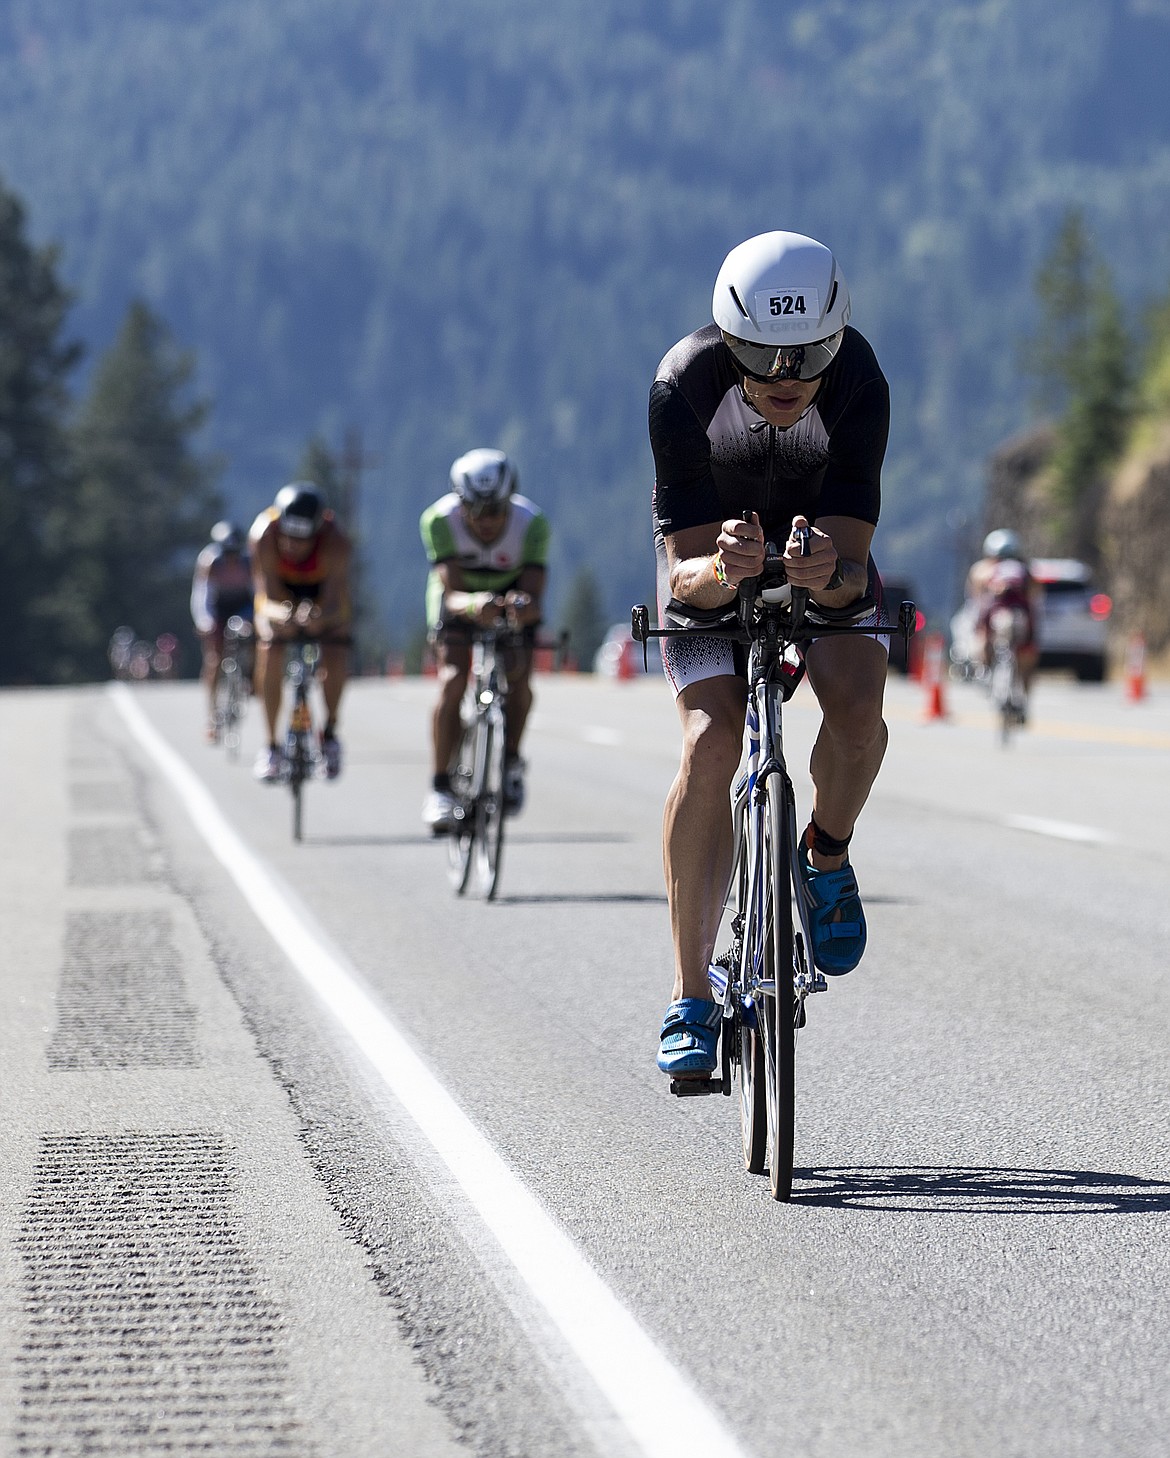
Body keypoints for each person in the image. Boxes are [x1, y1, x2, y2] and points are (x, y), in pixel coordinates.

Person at [648, 230, 893, 1083]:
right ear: (728, 339)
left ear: (837, 339)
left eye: (809, 355)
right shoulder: (684, 385)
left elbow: (854, 558)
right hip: (713, 567)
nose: (787, 378)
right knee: (709, 744)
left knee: (859, 708)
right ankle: (690, 996)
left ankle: (825, 852)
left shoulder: (859, 381)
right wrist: (721, 567)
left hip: (818, 553)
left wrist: (829, 576)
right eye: (761, 355)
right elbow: (682, 571)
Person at [419, 448, 549, 832]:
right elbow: (452, 592)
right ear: (461, 504)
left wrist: (522, 607)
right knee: (453, 678)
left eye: (496, 510)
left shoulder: (533, 524)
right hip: (459, 600)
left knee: (520, 678)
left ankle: (510, 760)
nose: (487, 520)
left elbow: (533, 596)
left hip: (508, 596)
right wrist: (476, 604)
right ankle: (439, 786)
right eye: (476, 510)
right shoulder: (438, 520)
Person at [248, 483, 353, 782]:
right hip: (279, 595)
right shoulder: (263, 534)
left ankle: (330, 734)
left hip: (322, 595)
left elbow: (337, 602)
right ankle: (271, 746)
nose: (293, 545)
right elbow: (265, 596)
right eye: (288, 537)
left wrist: (319, 617)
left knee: (335, 648)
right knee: (269, 647)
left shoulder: (337, 541)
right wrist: (286, 614)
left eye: (302, 539)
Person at [190, 521, 255, 739]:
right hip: (218, 608)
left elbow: (257, 595)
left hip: (244, 606)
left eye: (235, 554)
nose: (231, 559)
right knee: (214, 659)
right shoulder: (210, 561)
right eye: (228, 553)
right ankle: (212, 715)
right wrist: (205, 623)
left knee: (257, 639)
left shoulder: (249, 562)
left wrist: (253, 620)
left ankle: (251, 677)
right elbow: (201, 597)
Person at [967, 528, 1039, 691]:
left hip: (998, 614)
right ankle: (1024, 690)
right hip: (1020, 614)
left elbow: (976, 596)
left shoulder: (983, 569)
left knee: (983, 635)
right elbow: (1035, 594)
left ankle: (983, 672)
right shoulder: (1025, 569)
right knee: (1027, 650)